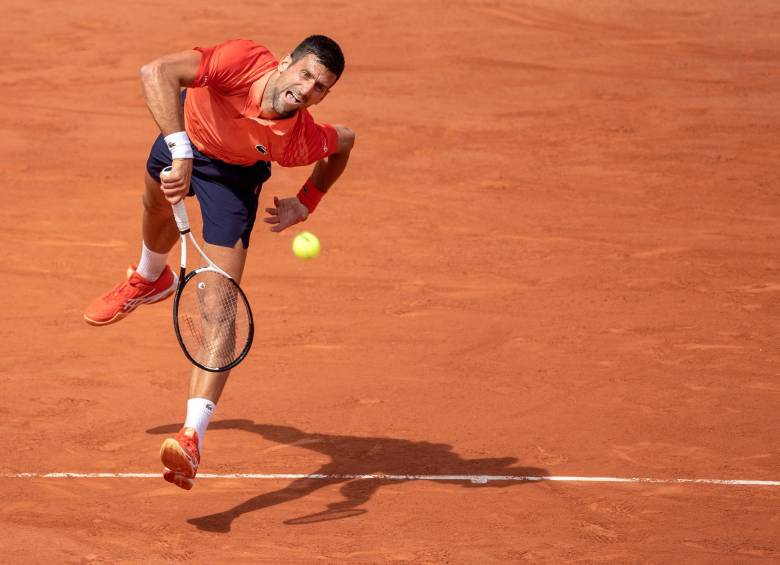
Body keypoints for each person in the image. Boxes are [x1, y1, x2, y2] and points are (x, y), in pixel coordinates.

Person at [83, 35, 355, 490]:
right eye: (305, 74)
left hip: (234, 179)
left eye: (320, 88)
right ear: (286, 62)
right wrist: (182, 151)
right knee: (155, 207)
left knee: (219, 306)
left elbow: (344, 142)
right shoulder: (241, 60)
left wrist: (306, 202)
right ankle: (150, 277)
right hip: (184, 137)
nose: (307, 91)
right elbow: (157, 72)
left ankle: (192, 436)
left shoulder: (298, 140)